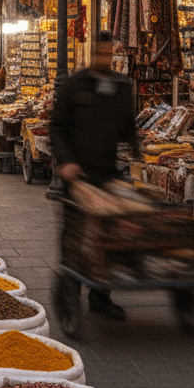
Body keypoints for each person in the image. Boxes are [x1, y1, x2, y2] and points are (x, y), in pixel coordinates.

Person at [49, 31, 137, 320]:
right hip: (76, 177)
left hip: (106, 174)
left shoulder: (122, 87)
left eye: (109, 55)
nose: (104, 59)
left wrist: (137, 150)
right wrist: (66, 161)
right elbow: (57, 127)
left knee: (108, 237)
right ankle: (70, 295)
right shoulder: (75, 85)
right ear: (92, 54)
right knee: (75, 238)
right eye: (100, 54)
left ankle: (101, 296)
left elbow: (127, 126)